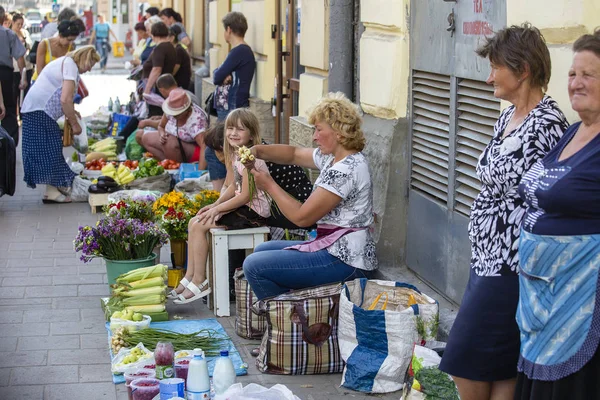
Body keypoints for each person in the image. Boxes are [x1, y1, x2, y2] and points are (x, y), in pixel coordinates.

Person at [437, 24, 570, 400]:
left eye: (497, 67)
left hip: (512, 266)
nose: (489, 75)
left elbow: (539, 196)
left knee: (464, 361)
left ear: (523, 69)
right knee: (499, 369)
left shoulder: (547, 124)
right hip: (488, 259)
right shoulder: (508, 116)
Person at [514, 29, 600, 400]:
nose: (576, 83)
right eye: (572, 74)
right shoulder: (573, 132)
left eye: (588, 75)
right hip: (543, 292)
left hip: (579, 295)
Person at [239, 92, 376, 300]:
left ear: (339, 133)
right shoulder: (335, 157)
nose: (314, 136)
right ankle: (298, 312)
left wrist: (268, 184)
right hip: (334, 248)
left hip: (347, 261)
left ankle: (291, 320)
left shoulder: (345, 170)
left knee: (254, 266)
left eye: (319, 130)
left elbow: (302, 218)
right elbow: (293, 154)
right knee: (262, 250)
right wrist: (257, 151)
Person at [168, 108, 272, 304]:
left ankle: (201, 281)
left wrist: (218, 210)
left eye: (240, 129)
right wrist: (215, 204)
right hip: (243, 206)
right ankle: (190, 276)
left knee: (201, 224)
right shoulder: (235, 155)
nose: (233, 133)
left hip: (253, 211)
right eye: (230, 128)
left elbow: (245, 195)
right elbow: (233, 186)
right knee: (194, 221)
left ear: (251, 135)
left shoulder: (250, 158)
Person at [21, 46, 100, 203]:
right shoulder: (70, 65)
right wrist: (74, 124)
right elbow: (65, 99)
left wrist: (72, 113)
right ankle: (52, 192)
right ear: (85, 58)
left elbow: (64, 97)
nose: (89, 69)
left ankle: (52, 190)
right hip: (39, 110)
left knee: (51, 148)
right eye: (90, 65)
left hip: (37, 109)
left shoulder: (66, 62)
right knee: (50, 148)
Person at [141, 88, 207, 165]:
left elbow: (204, 146)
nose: (174, 116)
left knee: (169, 142)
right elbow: (161, 126)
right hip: (176, 144)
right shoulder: (171, 110)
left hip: (195, 150)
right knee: (144, 137)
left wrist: (200, 172)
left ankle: (177, 167)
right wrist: (162, 134)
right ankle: (169, 166)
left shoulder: (196, 121)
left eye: (177, 114)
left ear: (186, 110)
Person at [128, 73, 199, 143]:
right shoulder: (185, 93)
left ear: (161, 90)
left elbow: (174, 124)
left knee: (140, 135)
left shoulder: (178, 99)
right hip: (188, 134)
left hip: (187, 137)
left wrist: (148, 122)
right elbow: (174, 119)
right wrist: (160, 118)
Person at [213, 11, 256, 121]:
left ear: (229, 29)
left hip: (232, 107)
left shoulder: (239, 51)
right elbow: (218, 73)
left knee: (224, 137)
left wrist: (222, 73)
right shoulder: (239, 51)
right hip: (230, 107)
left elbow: (216, 77)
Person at [0, 6, 27, 146]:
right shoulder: (8, 34)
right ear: (4, 19)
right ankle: (9, 144)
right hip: (5, 74)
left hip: (5, 73)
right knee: (10, 109)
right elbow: (20, 57)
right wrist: (23, 77)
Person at [142, 21, 176, 95]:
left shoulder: (160, 48)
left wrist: (147, 90)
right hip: (165, 85)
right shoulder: (170, 46)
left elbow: (156, 69)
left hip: (157, 88)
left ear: (153, 33)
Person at [11, 13, 33, 108]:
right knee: (14, 93)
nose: (20, 26)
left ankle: (23, 114)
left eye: (21, 24)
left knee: (26, 93)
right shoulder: (9, 34)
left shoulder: (25, 32)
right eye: (18, 24)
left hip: (27, 66)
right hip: (14, 68)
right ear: (13, 23)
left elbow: (30, 45)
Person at [169, 24, 191, 90]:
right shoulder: (174, 49)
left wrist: (167, 78)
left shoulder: (178, 50)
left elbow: (176, 67)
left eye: (166, 37)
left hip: (180, 84)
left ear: (172, 38)